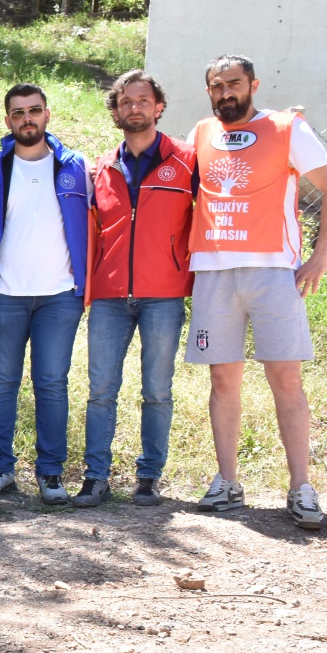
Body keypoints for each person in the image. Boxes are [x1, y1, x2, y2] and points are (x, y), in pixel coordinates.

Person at [186, 55, 327, 529]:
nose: (225, 93)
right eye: (217, 86)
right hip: (214, 274)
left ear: (253, 84)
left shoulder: (286, 127)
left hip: (273, 275)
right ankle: (227, 481)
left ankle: (301, 487)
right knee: (223, 383)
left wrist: (320, 258)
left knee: (286, 382)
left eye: (233, 84)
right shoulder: (200, 133)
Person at [0, 83, 93, 506]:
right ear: (8, 121)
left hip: (59, 296)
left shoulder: (75, 167)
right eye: (18, 113)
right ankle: (1, 469)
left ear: (47, 115)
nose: (27, 119)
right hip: (4, 295)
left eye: (34, 111)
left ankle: (50, 474)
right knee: (2, 382)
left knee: (52, 383)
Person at [74, 70, 195, 509]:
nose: (135, 107)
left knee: (157, 390)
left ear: (158, 106)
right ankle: (95, 477)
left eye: (143, 100)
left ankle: (148, 477)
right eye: (126, 102)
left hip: (163, 293)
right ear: (116, 110)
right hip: (108, 297)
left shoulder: (187, 160)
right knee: (101, 389)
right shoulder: (101, 167)